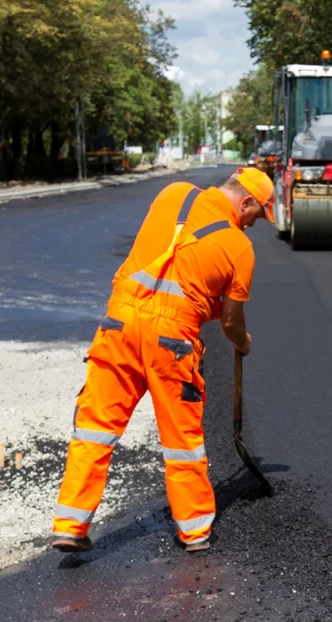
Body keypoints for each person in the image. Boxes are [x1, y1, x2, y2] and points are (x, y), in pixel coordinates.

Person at [51, 167, 275, 554]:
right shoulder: (239, 249)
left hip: (117, 324)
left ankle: (70, 524)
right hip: (171, 343)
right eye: (259, 214)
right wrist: (244, 342)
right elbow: (230, 321)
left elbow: (168, 262)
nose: (256, 223)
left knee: (94, 428)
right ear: (247, 201)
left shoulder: (174, 193)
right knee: (181, 440)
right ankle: (194, 532)